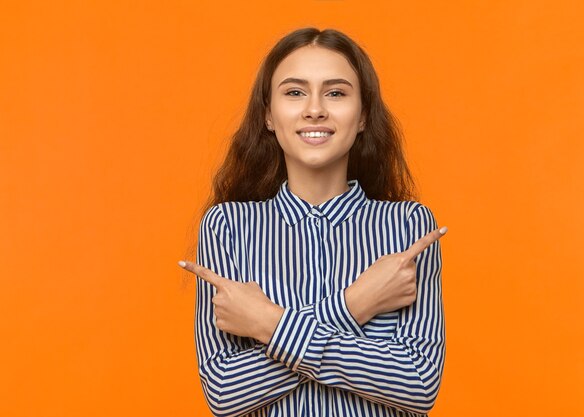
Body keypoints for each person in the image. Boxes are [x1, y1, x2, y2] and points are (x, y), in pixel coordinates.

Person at [179, 27, 447, 417]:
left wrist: (269, 325)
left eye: (336, 93)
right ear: (269, 115)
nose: (315, 109)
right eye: (294, 92)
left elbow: (418, 384)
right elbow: (224, 393)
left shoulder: (408, 227)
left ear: (362, 117)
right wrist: (354, 305)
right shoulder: (227, 226)